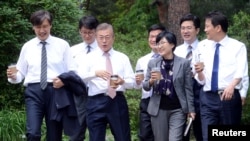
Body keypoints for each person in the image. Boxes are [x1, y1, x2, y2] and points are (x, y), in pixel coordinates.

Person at [6, 10, 81, 140]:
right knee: (33, 132)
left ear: (50, 25)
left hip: (56, 92)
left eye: (45, 26)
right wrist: (13, 77)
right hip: (34, 92)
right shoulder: (27, 47)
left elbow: (73, 70)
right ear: (33, 27)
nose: (42, 30)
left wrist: (64, 81)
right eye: (38, 27)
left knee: (54, 135)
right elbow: (20, 73)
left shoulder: (62, 45)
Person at [194, 11, 248, 141]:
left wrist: (232, 86)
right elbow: (200, 80)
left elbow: (241, 71)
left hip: (228, 97)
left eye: (207, 26)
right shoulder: (202, 46)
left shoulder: (238, 46)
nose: (205, 30)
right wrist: (199, 71)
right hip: (207, 98)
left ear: (218, 28)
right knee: (207, 137)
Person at [77, 23, 135, 141]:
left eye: (107, 37)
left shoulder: (122, 58)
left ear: (113, 38)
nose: (104, 41)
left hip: (117, 101)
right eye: (101, 37)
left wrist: (122, 81)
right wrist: (94, 74)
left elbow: (133, 82)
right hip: (95, 101)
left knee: (123, 137)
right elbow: (79, 78)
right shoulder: (88, 58)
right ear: (96, 38)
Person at [143, 30, 195, 141]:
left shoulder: (183, 63)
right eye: (158, 43)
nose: (159, 46)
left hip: (178, 109)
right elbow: (145, 86)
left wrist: (191, 110)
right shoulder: (153, 63)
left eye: (162, 43)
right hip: (158, 109)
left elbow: (188, 88)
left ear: (172, 44)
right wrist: (152, 80)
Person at [69, 15, 99, 141]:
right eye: (84, 32)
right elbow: (70, 72)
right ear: (80, 31)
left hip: (97, 92)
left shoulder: (103, 49)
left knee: (96, 128)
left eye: (90, 32)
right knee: (77, 128)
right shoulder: (72, 50)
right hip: (78, 93)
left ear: (96, 31)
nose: (87, 36)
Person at [174, 13, 203, 141]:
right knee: (181, 134)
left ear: (197, 30)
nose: (185, 31)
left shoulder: (206, 48)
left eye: (189, 28)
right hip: (181, 95)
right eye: (183, 28)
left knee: (202, 131)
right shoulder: (176, 51)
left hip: (201, 93)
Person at [134, 24, 165, 141]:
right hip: (147, 101)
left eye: (156, 36)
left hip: (164, 100)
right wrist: (137, 82)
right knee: (145, 135)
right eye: (151, 36)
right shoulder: (142, 60)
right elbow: (138, 86)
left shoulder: (170, 59)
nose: (153, 39)